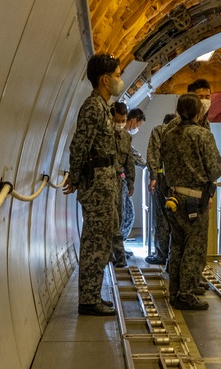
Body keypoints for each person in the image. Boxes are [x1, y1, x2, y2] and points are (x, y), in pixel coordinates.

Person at [63, 53, 125, 316]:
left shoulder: (102, 107)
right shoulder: (93, 107)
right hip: (97, 186)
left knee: (102, 241)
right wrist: (75, 177)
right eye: (118, 76)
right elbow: (80, 145)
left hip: (104, 183)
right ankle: (88, 300)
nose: (120, 81)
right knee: (95, 243)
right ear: (105, 79)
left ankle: (93, 294)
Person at [159, 94, 221, 310]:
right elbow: (215, 170)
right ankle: (186, 294)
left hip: (173, 198)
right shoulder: (202, 135)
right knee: (193, 248)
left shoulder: (167, 135)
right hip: (195, 200)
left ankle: (175, 292)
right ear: (198, 113)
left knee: (177, 245)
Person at [146, 113, 177, 265]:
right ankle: (175, 256)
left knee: (162, 217)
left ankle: (161, 254)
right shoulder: (189, 130)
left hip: (163, 180)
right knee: (179, 219)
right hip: (183, 182)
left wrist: (153, 177)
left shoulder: (159, 131)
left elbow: (153, 154)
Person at [117, 108, 147, 263]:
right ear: (134, 120)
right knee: (124, 215)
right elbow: (131, 154)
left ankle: (119, 246)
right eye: (138, 125)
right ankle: (117, 248)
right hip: (117, 181)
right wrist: (146, 165)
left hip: (121, 180)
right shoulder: (121, 135)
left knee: (126, 214)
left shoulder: (124, 135)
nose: (137, 128)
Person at [110, 101, 134, 267]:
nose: (120, 124)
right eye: (117, 120)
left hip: (119, 182)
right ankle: (115, 254)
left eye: (123, 120)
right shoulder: (103, 135)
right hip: (104, 181)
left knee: (119, 218)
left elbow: (129, 162)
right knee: (109, 219)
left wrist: (131, 183)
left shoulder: (126, 137)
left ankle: (118, 253)